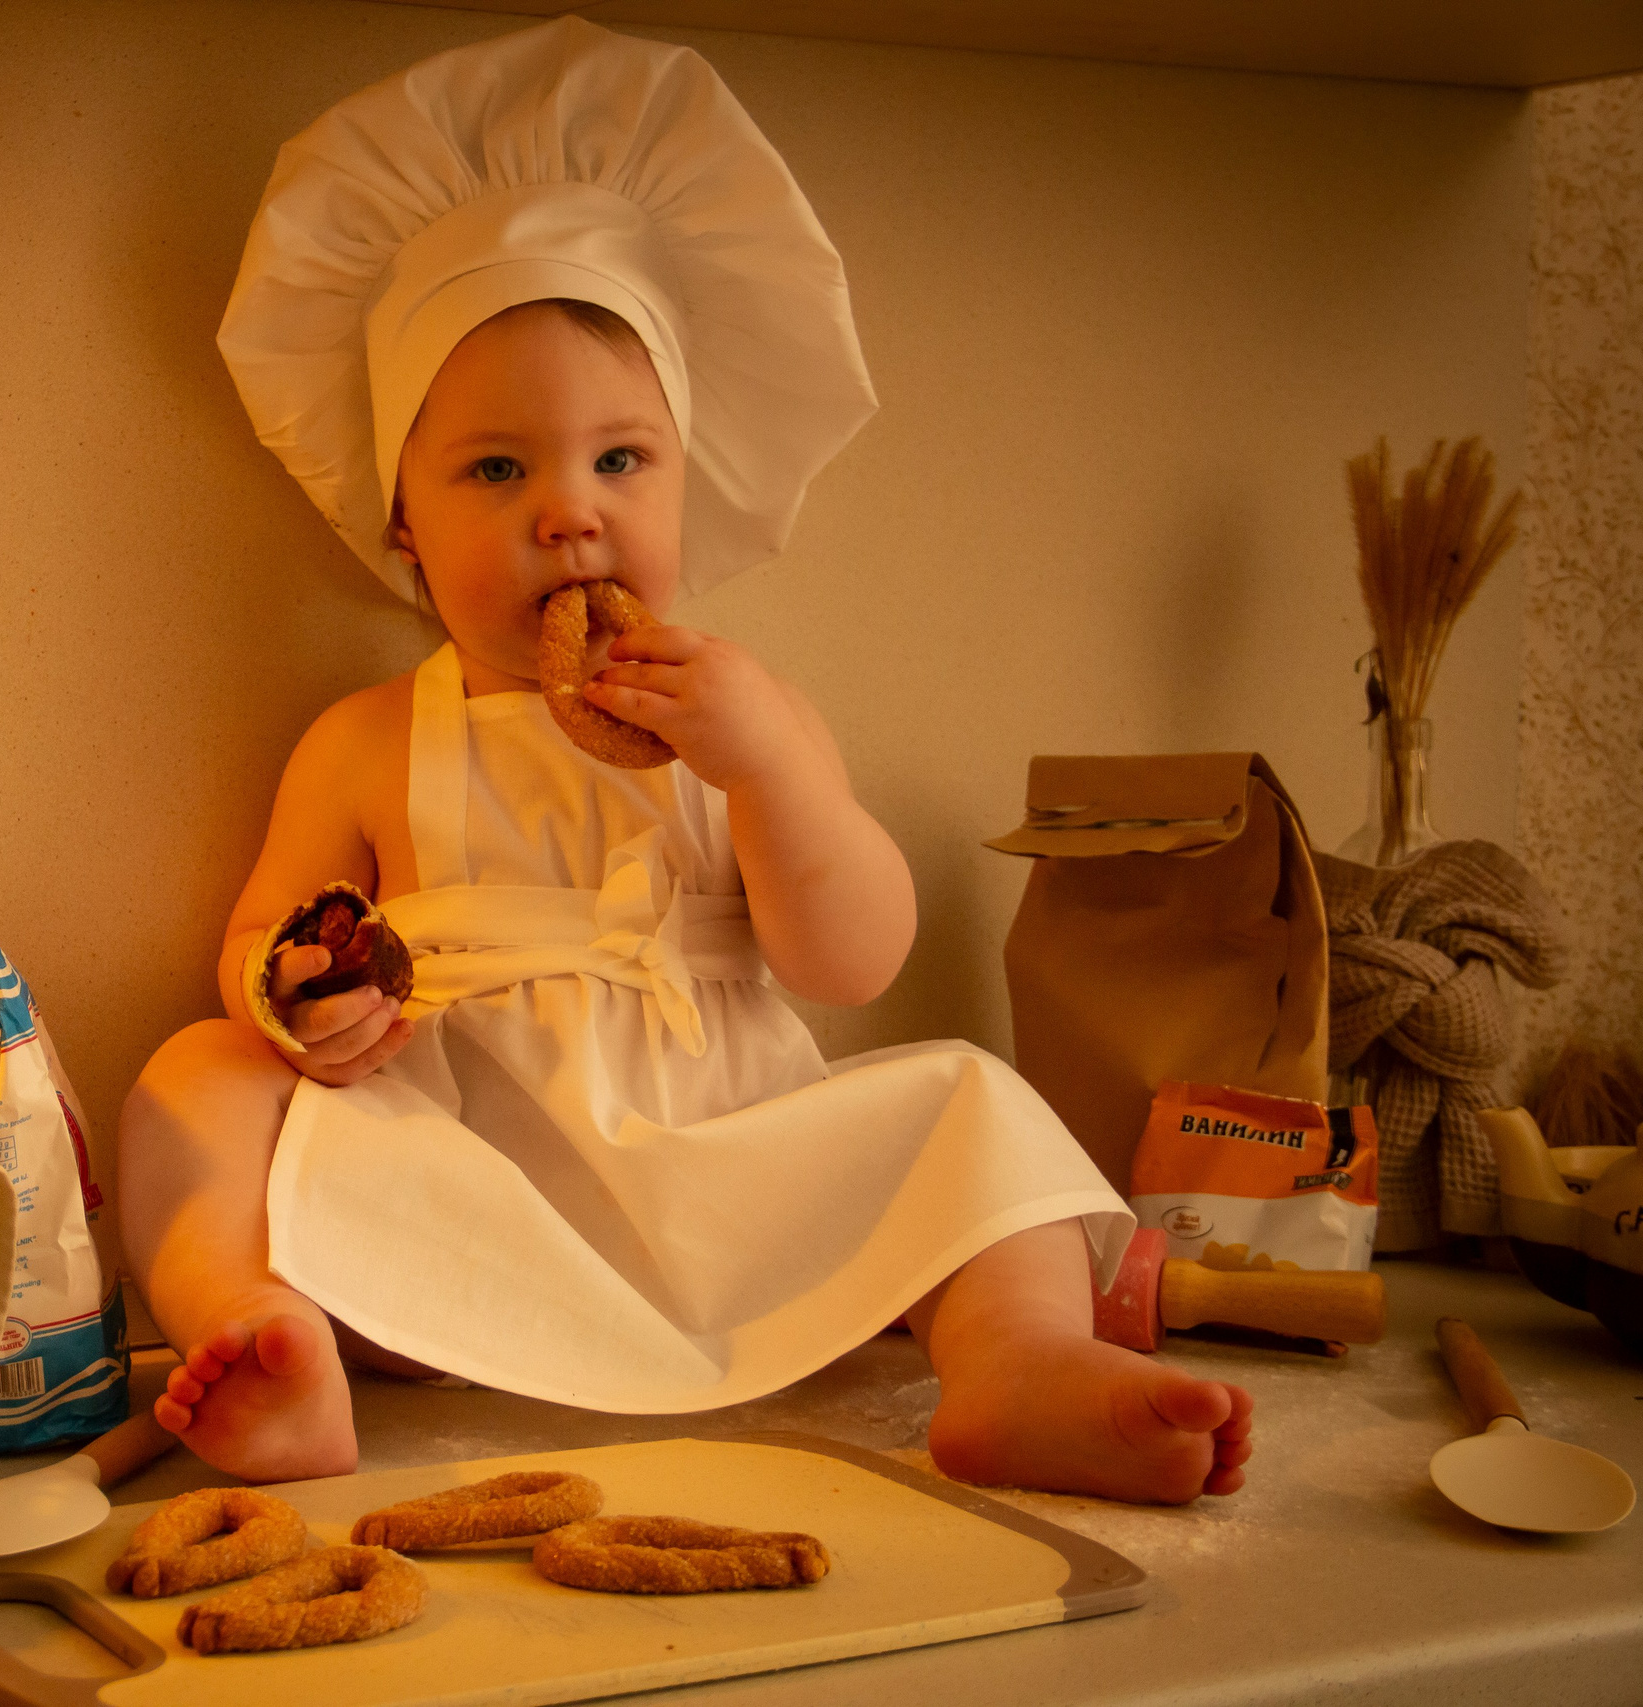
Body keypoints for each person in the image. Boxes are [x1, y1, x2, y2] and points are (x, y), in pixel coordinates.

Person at [119, 19, 1252, 1504]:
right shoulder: (369, 738)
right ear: (402, 521)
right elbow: (262, 937)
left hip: (729, 1179)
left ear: (685, 483)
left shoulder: (748, 721)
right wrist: (295, 1000)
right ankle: (263, 1333)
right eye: (497, 469)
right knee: (198, 1074)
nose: (569, 513)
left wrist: (771, 769)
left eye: (620, 460)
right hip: (462, 1205)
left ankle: (1017, 1360)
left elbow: (852, 960)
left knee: (968, 1095)